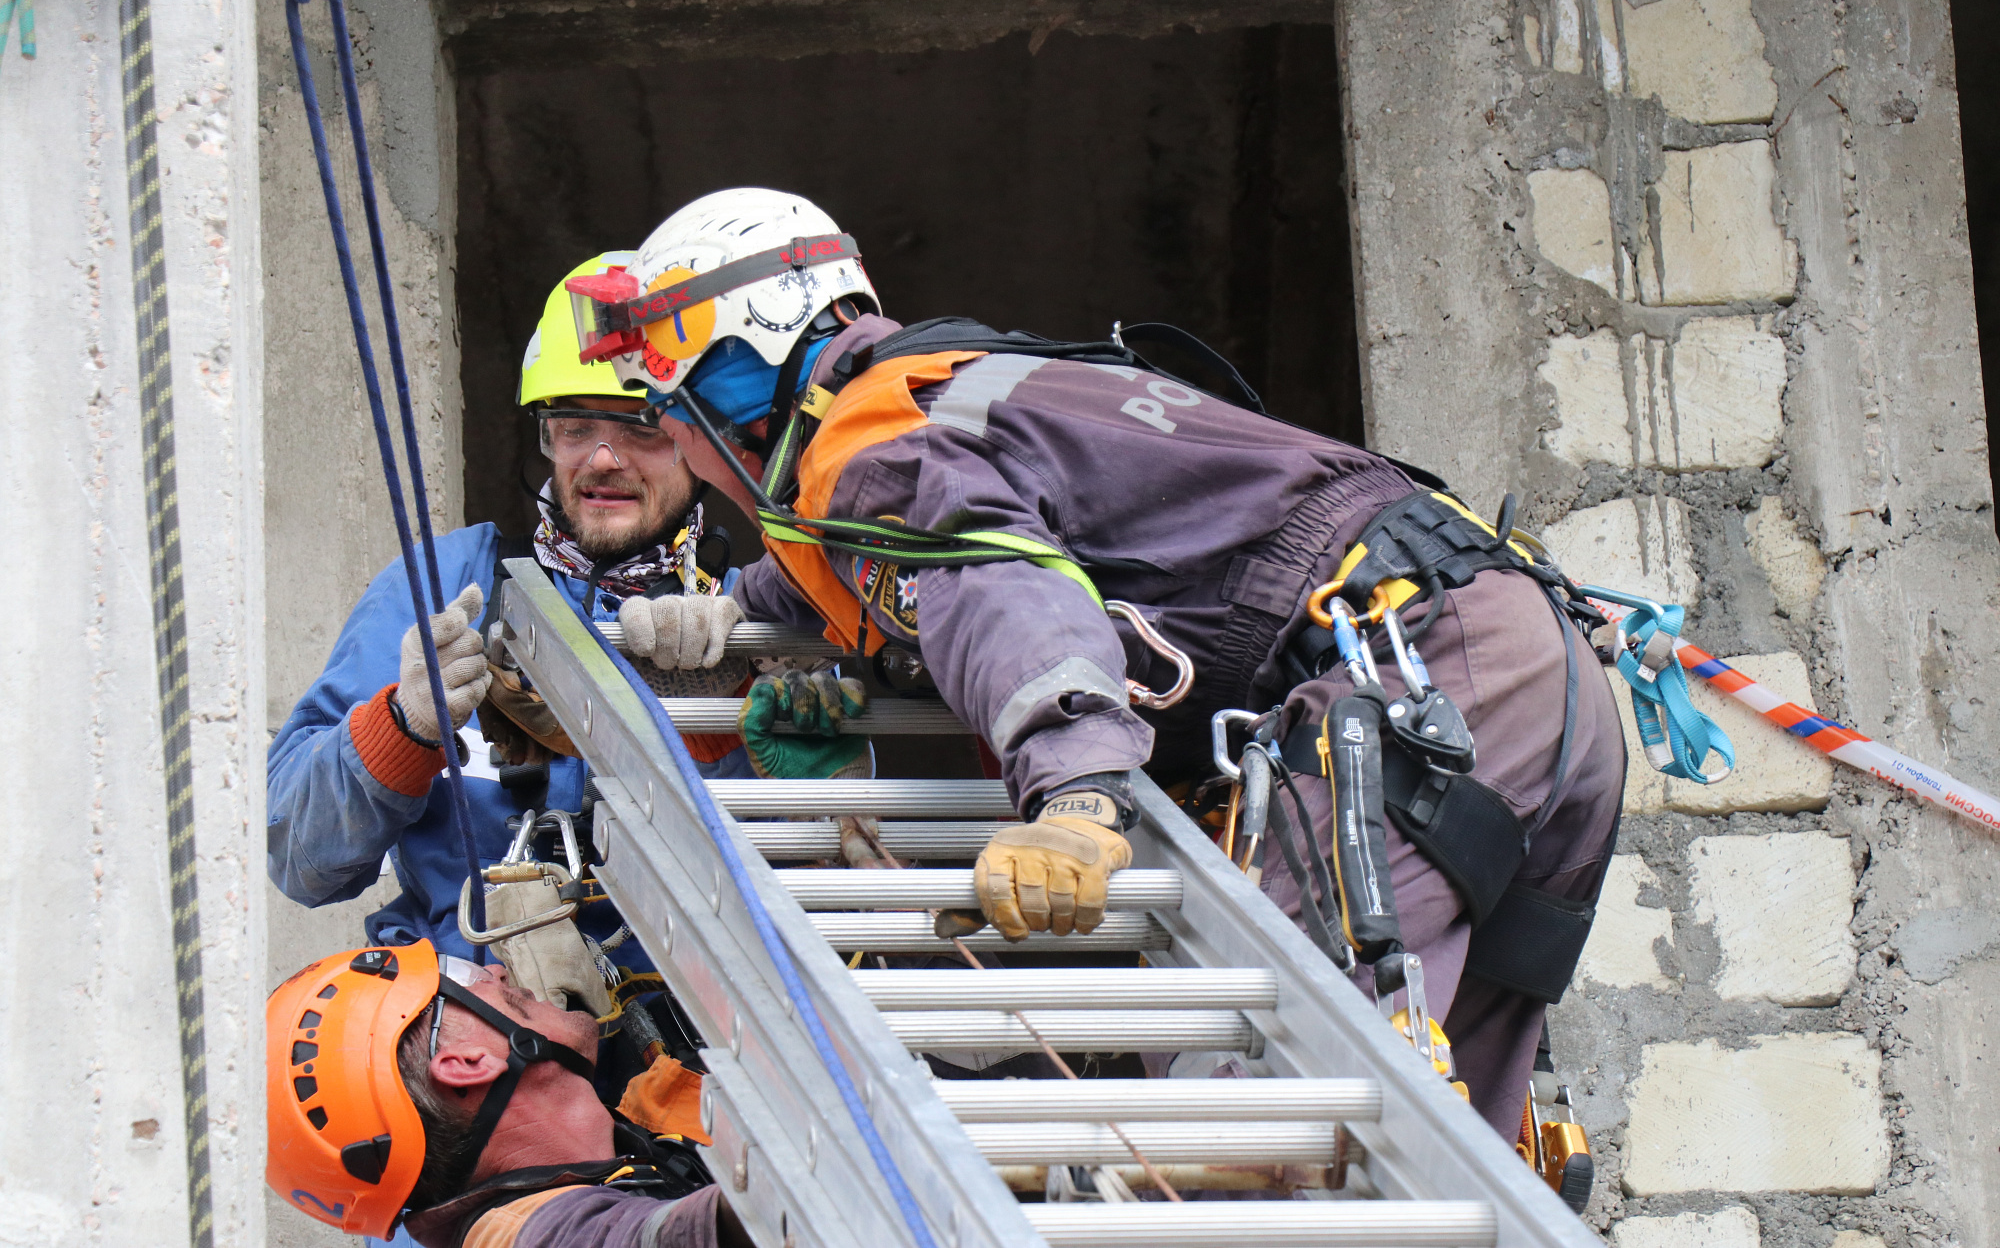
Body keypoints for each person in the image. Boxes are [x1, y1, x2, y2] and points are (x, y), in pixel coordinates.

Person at [556, 187, 1628, 1143]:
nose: (681, 447)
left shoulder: (867, 445)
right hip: (1522, 671)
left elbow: (996, 584)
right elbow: (877, 570)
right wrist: (724, 621)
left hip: (1400, 687)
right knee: (1445, 1140)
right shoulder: (952, 390)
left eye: (672, 410)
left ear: (734, 370)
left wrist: (1074, 793)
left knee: (1253, 1125)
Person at [267, 253, 763, 968]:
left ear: (701, 443)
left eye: (640, 427)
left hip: (685, 1041)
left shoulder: (754, 621)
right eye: (574, 426)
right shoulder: (445, 584)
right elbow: (298, 858)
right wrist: (402, 727)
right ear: (544, 437)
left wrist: (716, 718)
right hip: (474, 1038)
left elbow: (823, 886)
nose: (601, 458)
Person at [267, 940, 747, 1247]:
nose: (495, 971)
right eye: (457, 975)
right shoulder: (516, 1237)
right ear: (466, 1063)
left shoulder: (644, 1131)